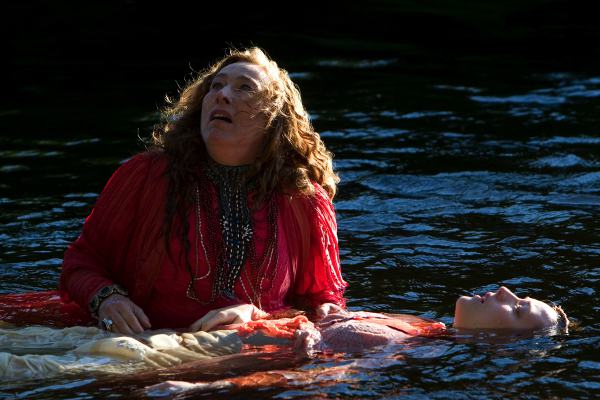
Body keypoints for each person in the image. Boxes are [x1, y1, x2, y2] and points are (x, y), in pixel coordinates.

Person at [59, 47, 348, 335]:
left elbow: (323, 307)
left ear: (274, 119)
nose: (221, 94)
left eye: (244, 87)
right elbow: (81, 263)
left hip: (252, 358)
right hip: (148, 351)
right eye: (215, 85)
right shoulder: (147, 174)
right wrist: (106, 299)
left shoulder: (304, 201)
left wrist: (256, 315)